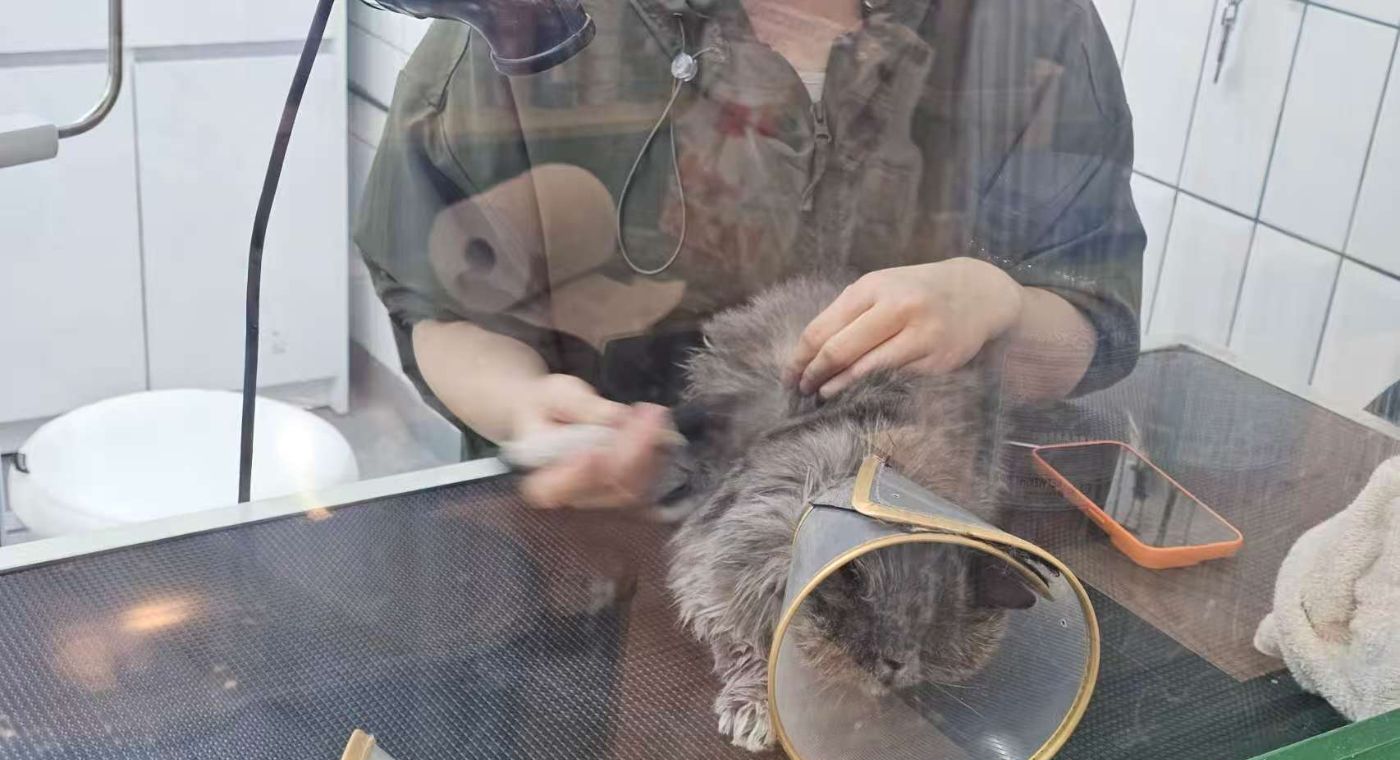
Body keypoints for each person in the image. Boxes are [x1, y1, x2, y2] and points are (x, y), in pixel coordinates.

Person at [356, 0, 1146, 508]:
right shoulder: (527, 21)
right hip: (602, 554)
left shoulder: (1029, 27)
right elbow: (444, 306)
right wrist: (523, 404)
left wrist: (992, 305)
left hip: (910, 537)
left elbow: (1091, 314)